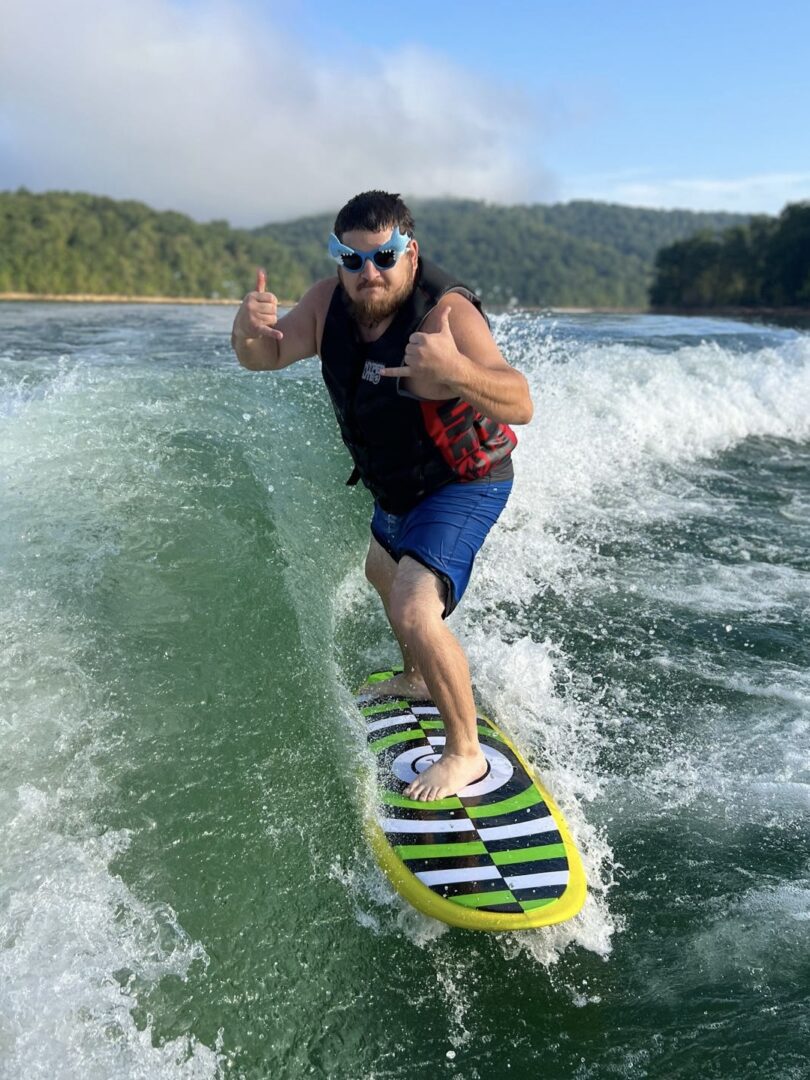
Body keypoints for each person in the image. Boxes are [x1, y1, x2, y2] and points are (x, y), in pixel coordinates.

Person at [232, 191, 533, 801]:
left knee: (414, 608)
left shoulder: (446, 313)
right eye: (352, 258)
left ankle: (464, 753)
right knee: (380, 570)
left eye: (384, 256)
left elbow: (520, 401)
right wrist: (246, 330)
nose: (368, 272)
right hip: (397, 487)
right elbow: (264, 356)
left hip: (462, 483)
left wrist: (455, 372)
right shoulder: (327, 302)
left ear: (410, 253)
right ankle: (420, 678)